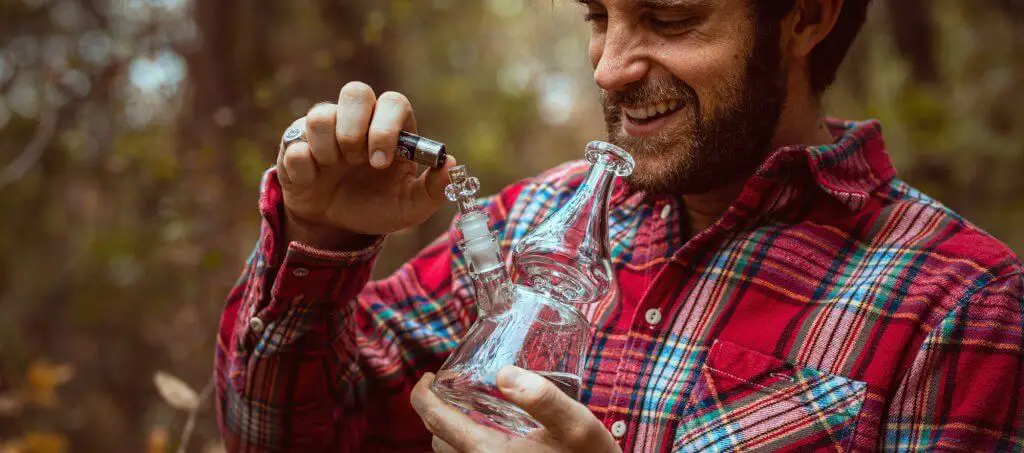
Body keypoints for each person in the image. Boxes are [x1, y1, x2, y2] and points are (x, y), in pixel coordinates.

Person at [214, 0, 1024, 451]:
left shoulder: (960, 304)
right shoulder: (535, 217)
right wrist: (320, 239)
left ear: (806, 17)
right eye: (599, 14)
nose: (608, 67)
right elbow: (281, 435)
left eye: (668, 18)